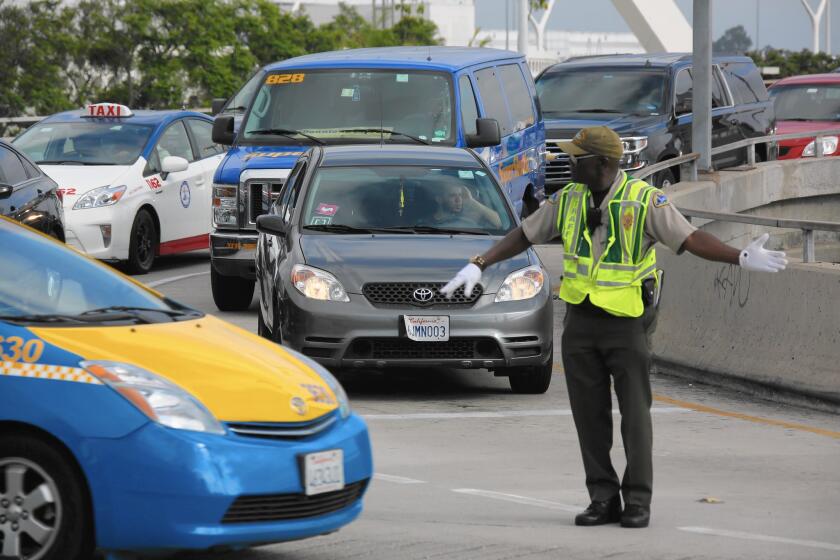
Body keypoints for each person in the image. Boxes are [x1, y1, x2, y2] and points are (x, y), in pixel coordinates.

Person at [440, 126, 787, 529]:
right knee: (589, 416)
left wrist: (740, 257)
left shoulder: (643, 201)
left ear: (601, 163)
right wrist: (479, 263)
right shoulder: (568, 198)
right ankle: (602, 498)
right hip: (581, 321)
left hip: (627, 323)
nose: (568, 162)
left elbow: (689, 239)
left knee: (635, 416)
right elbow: (526, 233)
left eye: (577, 157)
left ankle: (638, 501)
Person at [426, 177, 502, 229]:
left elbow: (499, 223)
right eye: (452, 196)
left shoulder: (467, 219)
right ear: (439, 199)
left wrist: (472, 201)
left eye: (460, 195)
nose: (458, 200)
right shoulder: (426, 225)